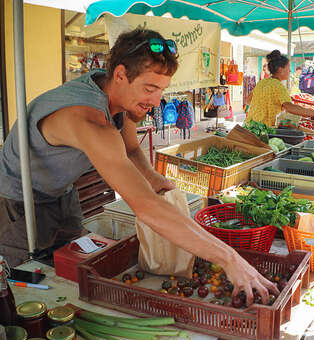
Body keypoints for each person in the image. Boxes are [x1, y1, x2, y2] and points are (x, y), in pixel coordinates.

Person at [0, 29, 278, 305]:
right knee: (26, 287)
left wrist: (152, 176)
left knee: (71, 273)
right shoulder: (88, 121)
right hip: (16, 203)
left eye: (161, 90)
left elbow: (132, 149)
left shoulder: (119, 99)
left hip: (63, 194)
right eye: (150, 89)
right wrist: (229, 258)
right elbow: (144, 207)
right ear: (120, 74)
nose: (156, 101)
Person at [245, 50, 314, 127]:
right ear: (281, 69)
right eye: (288, 68)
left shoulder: (262, 82)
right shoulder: (278, 86)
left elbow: (248, 100)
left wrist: (266, 105)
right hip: (263, 130)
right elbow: (290, 107)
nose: (290, 71)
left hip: (250, 126)